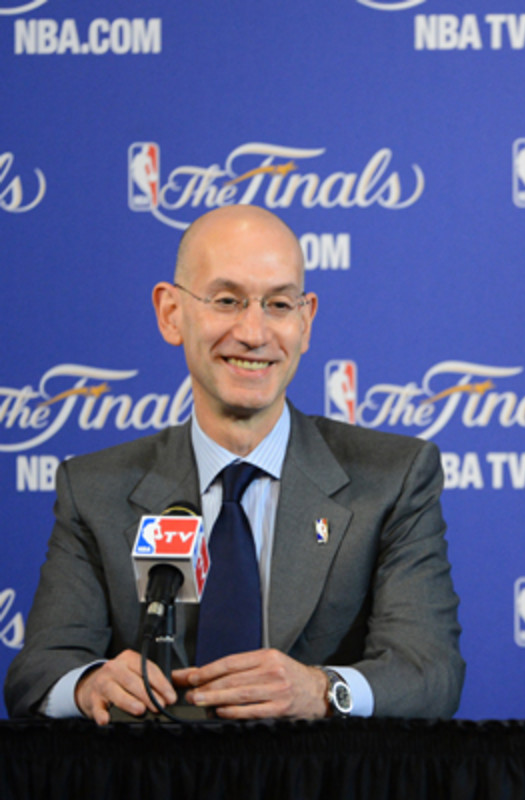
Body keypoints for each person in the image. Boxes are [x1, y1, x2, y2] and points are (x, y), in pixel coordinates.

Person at [5, 205, 465, 723]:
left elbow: (430, 673)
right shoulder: (94, 489)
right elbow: (37, 674)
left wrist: (322, 689)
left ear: (306, 320)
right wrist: (89, 683)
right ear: (170, 313)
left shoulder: (393, 479)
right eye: (227, 301)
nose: (253, 332)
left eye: (278, 304)